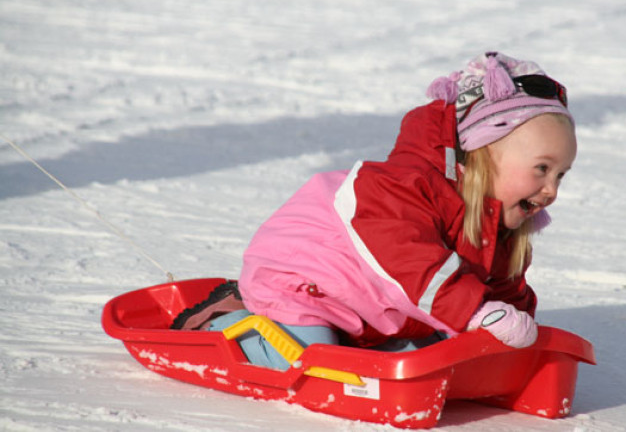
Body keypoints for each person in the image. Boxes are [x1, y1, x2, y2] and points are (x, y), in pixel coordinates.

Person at [199, 51, 577, 370]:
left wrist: (516, 333)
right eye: (541, 169)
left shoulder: (499, 226)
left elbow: (501, 292)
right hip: (303, 286)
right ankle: (223, 324)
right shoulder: (401, 190)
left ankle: (353, 344)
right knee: (308, 361)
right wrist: (479, 314)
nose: (551, 190)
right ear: (484, 152)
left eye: (561, 174)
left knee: (430, 358)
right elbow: (416, 270)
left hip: (370, 309)